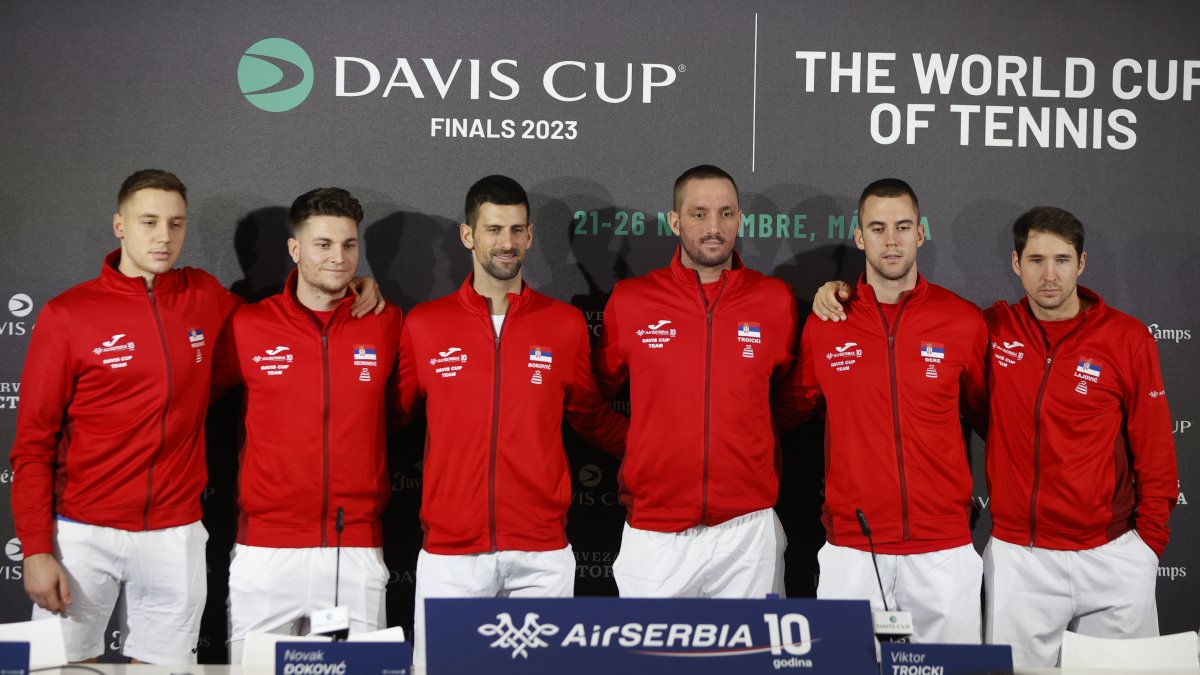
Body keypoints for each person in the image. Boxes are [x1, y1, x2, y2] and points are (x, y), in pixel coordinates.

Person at [398, 175, 627, 671]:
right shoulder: (424, 324)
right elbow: (389, 420)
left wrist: (655, 450)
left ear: (529, 236)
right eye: (493, 229)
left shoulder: (563, 323)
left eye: (517, 230)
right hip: (450, 555)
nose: (506, 242)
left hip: (542, 554)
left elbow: (590, 415)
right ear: (468, 236)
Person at [9, 170, 239, 664]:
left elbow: (280, 323)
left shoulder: (203, 293)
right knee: (56, 668)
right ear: (119, 225)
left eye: (176, 224)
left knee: (163, 669)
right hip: (82, 531)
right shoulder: (68, 313)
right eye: (149, 222)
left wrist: (350, 289)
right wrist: (34, 548)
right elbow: (32, 442)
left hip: (175, 531)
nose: (164, 237)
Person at [593, 164, 802, 599]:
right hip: (655, 530)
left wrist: (751, 438)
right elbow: (593, 395)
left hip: (748, 530)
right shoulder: (631, 300)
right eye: (699, 214)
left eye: (726, 214)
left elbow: (791, 395)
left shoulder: (773, 299)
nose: (714, 227)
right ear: (674, 221)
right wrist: (636, 444)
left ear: (741, 218)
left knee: (749, 664)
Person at [981, 206, 1177, 666]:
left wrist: (1148, 545)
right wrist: (841, 292)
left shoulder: (1127, 337)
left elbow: (1154, 445)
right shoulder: (991, 328)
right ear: (1016, 264)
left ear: (1082, 264)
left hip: (1111, 553)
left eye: (1063, 260)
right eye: (1036, 260)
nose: (1050, 275)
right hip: (1019, 557)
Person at [214, 188, 403, 663]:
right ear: (295, 250)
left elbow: (403, 411)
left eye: (348, 245)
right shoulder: (248, 324)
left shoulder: (385, 322)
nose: (338, 258)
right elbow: (191, 403)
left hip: (351, 550)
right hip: (266, 551)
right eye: (323, 244)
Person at [796, 178, 988, 643]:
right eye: (878, 228)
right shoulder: (826, 323)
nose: (892, 240)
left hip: (943, 548)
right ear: (859, 237)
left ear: (921, 233)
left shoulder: (961, 320)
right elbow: (791, 409)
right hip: (853, 549)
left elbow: (993, 418)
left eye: (903, 227)